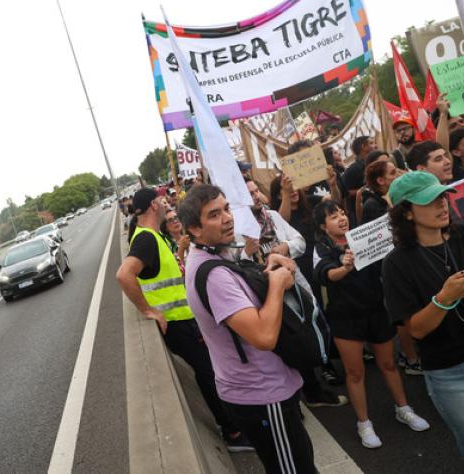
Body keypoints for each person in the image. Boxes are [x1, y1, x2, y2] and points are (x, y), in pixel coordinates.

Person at [180, 184, 318, 473]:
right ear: (194, 228)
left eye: (226, 208)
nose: (228, 218)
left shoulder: (212, 256)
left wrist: (267, 269)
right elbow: (263, 336)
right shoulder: (213, 274)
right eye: (214, 215)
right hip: (262, 394)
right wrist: (278, 285)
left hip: (263, 389)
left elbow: (243, 292)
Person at [383, 171, 464, 472]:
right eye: (430, 201)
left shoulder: (463, 235)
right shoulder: (396, 263)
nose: (442, 205)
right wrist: (444, 298)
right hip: (454, 374)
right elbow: (415, 330)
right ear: (407, 213)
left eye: (443, 197)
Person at [115, 187, 252, 452]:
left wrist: (178, 254)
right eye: (161, 200)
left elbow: (166, 273)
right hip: (178, 324)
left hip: (185, 321)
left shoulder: (155, 236)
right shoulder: (146, 239)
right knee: (209, 373)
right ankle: (233, 433)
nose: (166, 203)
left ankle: (233, 426)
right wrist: (148, 310)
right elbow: (124, 275)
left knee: (209, 371)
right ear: (154, 205)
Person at [313, 200, 430, 448]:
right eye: (333, 216)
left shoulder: (361, 237)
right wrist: (344, 267)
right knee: (355, 373)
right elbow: (328, 276)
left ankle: (404, 408)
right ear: (323, 227)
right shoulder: (321, 248)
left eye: (342, 213)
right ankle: (364, 424)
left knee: (388, 364)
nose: (342, 218)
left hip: (376, 310)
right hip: (346, 318)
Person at [269, 174, 345, 388]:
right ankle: (325, 363)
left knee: (328, 309)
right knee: (313, 312)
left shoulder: (311, 202)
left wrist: (332, 184)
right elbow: (281, 222)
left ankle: (340, 348)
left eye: (294, 187)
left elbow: (335, 206)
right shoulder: (273, 215)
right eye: (284, 189)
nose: (292, 191)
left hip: (322, 260)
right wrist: (285, 193)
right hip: (299, 268)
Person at [360, 160, 422, 375]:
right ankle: (410, 358)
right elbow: (387, 235)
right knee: (404, 316)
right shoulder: (373, 204)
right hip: (389, 270)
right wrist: (391, 206)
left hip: (408, 261)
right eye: (394, 172)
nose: (400, 174)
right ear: (381, 180)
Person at [343, 136, 378, 218]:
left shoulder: (376, 163)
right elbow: (346, 193)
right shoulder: (352, 169)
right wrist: (368, 188)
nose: (376, 146)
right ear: (364, 147)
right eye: (371, 143)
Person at [161, 207, 190, 273]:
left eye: (176, 217)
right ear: (165, 227)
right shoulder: (167, 246)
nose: (175, 221)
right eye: (170, 220)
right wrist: (182, 248)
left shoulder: (191, 236)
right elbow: (177, 270)